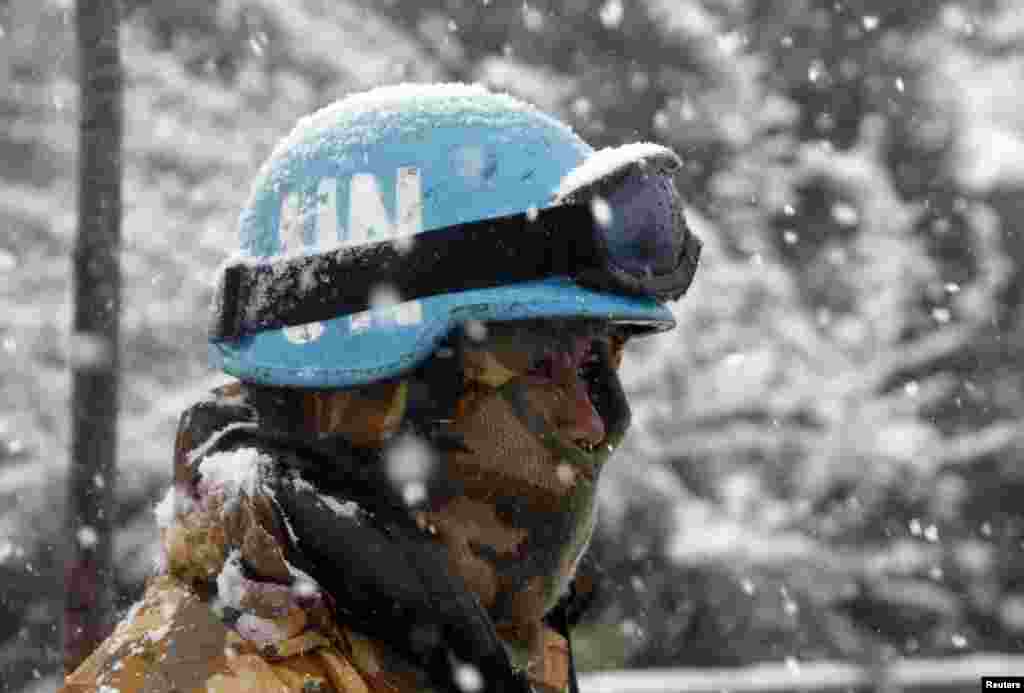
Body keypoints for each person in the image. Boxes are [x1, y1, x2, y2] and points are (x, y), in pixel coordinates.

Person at [61, 83, 700, 693]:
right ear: (371, 400)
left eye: (597, 365)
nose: (595, 423)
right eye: (540, 366)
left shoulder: (469, 650)